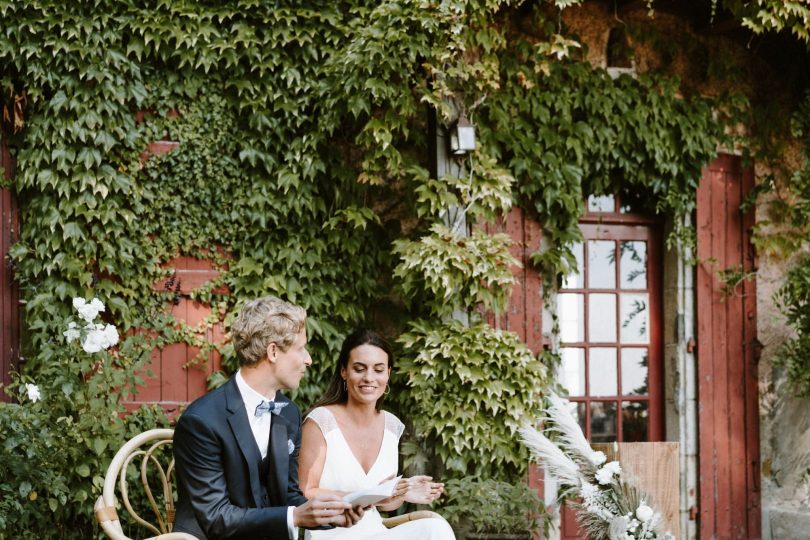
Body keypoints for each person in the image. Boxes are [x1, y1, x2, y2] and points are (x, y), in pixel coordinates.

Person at [173, 296, 364, 540]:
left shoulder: (288, 411)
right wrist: (295, 516)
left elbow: (288, 496)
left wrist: (332, 514)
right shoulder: (201, 421)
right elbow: (216, 517)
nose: (308, 359)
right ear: (273, 351)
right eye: (300, 348)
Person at [298, 328, 456, 540]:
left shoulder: (391, 425)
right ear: (344, 371)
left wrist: (402, 492)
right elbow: (306, 491)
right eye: (359, 369)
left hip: (375, 532)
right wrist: (362, 498)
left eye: (378, 370)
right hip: (330, 533)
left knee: (435, 529)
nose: (369, 378)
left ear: (388, 374)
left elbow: (385, 504)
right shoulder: (322, 420)